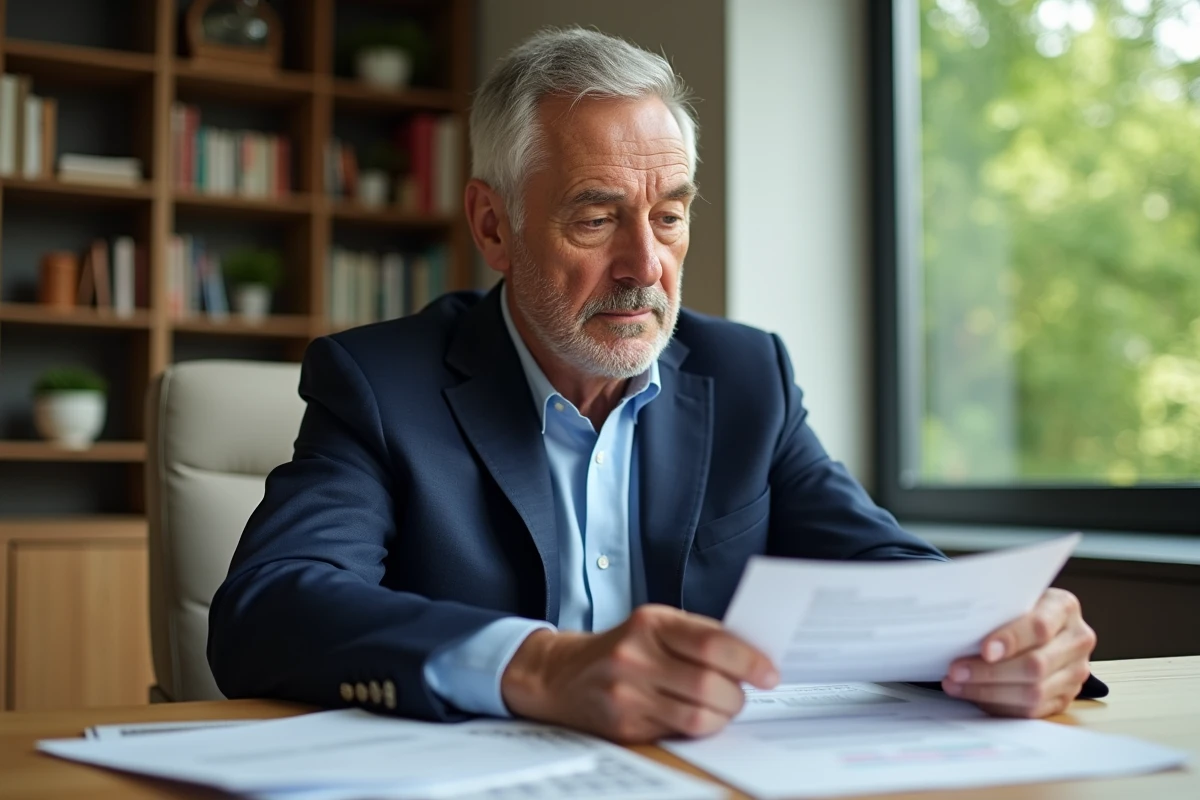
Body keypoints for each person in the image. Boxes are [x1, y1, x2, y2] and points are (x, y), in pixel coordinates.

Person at [208, 27, 1101, 744]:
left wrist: (1003, 635)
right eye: (597, 218)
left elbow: (880, 568)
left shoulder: (748, 376)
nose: (647, 267)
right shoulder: (380, 382)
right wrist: (541, 667)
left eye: (669, 216)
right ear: (494, 224)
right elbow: (268, 609)